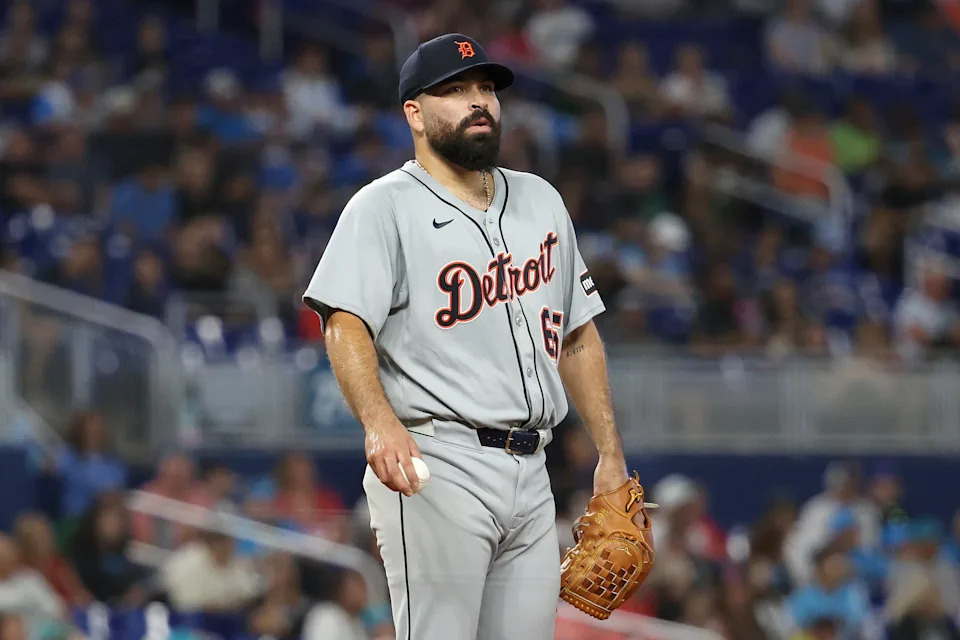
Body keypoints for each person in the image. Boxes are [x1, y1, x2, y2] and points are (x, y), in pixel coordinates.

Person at [303, 32, 638, 640]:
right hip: (439, 463)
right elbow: (343, 321)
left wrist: (610, 455)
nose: (477, 100)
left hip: (534, 470)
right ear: (414, 113)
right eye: (454, 91)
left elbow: (578, 335)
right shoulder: (383, 207)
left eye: (485, 87)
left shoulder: (541, 199)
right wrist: (379, 423)